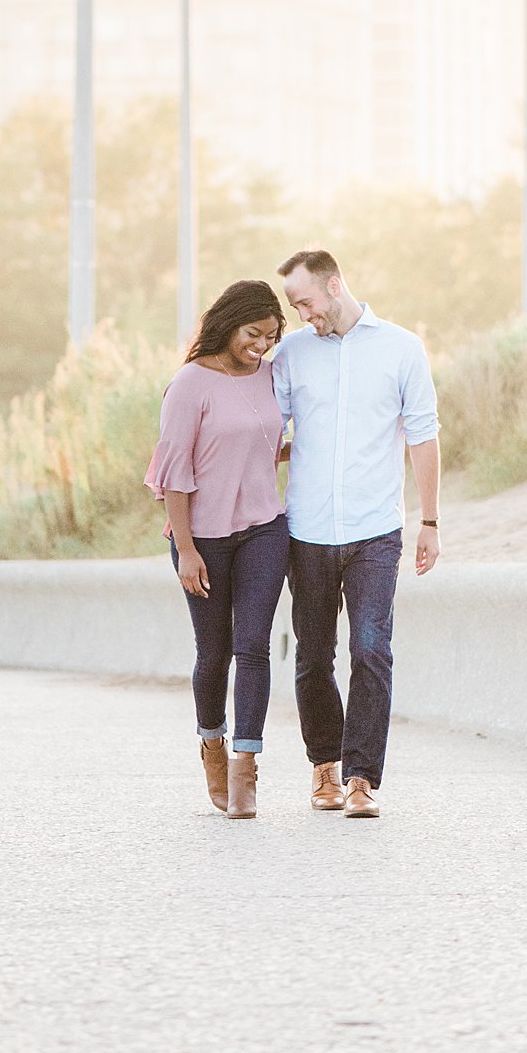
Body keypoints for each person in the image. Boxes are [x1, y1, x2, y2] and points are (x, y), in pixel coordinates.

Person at [272, 249, 441, 820]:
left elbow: (423, 436)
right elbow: (269, 434)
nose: (302, 316)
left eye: (305, 302)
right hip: (309, 530)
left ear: (335, 285)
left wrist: (431, 522)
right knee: (313, 656)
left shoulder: (401, 348)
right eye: (295, 307)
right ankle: (324, 766)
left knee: (372, 651)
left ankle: (362, 777)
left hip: (376, 531)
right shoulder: (292, 354)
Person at [146, 280, 290, 820]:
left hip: (264, 529)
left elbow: (265, 443)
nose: (261, 346)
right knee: (216, 652)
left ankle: (245, 768)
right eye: (254, 334)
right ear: (228, 323)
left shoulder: (269, 376)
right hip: (202, 536)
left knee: (253, 645)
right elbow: (175, 473)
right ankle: (212, 745)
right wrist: (185, 549)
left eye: (271, 337)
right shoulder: (190, 383)